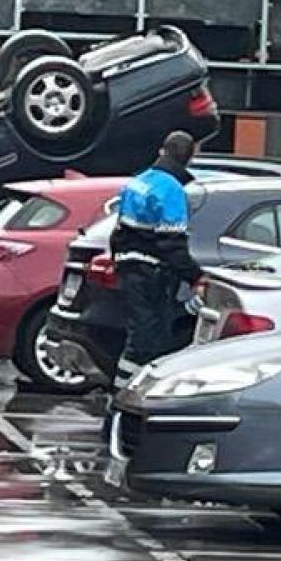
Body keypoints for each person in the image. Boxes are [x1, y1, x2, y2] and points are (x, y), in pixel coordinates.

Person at [110, 126, 209, 390]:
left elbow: (118, 230)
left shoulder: (139, 181)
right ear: (189, 157)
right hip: (150, 272)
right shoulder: (172, 191)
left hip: (129, 268)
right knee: (149, 339)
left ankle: (122, 390)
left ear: (162, 151)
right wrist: (196, 276)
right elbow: (171, 244)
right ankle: (125, 394)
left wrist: (117, 261)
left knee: (140, 335)